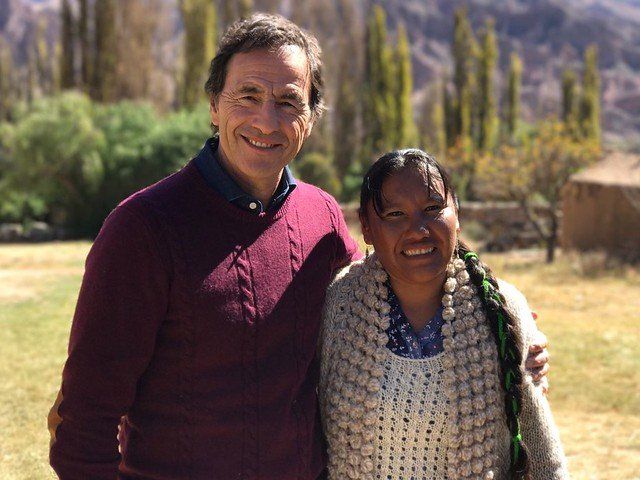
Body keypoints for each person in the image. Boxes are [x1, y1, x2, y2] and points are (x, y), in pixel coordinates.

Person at [48, 14, 549, 480]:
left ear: (310, 118)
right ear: (214, 106)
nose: (267, 121)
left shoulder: (321, 217)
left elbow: (387, 295)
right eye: (247, 95)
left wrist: (503, 333)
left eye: (288, 102)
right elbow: (84, 420)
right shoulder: (143, 229)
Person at [319, 149, 568, 479]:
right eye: (395, 214)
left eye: (433, 209)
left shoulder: (501, 308)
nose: (418, 230)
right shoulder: (339, 306)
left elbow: (544, 456)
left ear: (457, 215)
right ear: (366, 226)